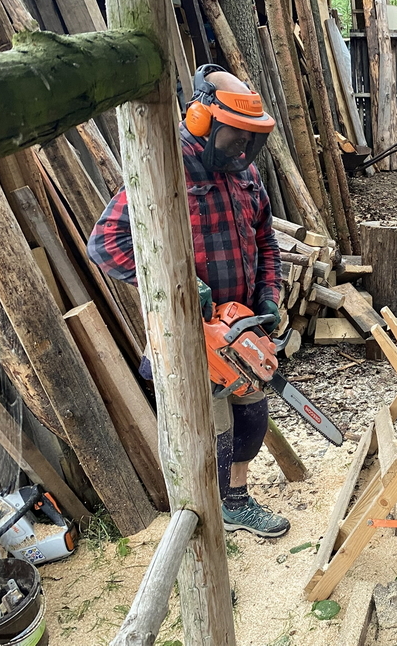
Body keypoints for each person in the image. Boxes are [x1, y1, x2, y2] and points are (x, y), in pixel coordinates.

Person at [88, 64, 290, 538]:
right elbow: (106, 242)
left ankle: (236, 501)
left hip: (240, 326)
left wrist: (269, 294)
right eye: (235, 136)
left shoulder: (244, 170)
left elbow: (265, 238)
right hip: (189, 333)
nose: (243, 147)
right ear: (202, 120)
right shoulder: (165, 165)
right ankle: (206, 521)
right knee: (211, 432)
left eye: (250, 138)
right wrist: (177, 284)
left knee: (252, 415)